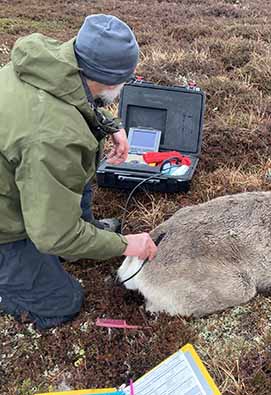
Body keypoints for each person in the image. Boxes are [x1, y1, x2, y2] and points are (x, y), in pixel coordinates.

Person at [0, 14, 158, 329]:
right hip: (6, 225)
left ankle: (83, 233)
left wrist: (109, 126)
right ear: (112, 81)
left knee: (75, 166)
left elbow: (73, 102)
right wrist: (126, 245)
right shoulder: (51, 137)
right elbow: (53, 235)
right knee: (64, 302)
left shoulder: (49, 62)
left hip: (20, 180)